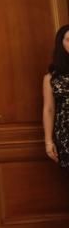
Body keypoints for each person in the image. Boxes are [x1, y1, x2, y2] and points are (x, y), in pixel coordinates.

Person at [43, 24, 69, 169]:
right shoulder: (52, 77)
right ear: (61, 43)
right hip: (66, 134)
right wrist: (48, 141)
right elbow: (49, 109)